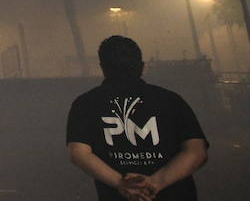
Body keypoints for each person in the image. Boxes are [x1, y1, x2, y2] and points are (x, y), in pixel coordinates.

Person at [66, 35, 209, 200]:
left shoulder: (85, 104)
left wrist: (121, 183)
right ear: (141, 66)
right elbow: (196, 151)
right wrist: (155, 183)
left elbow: (79, 153)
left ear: (103, 67)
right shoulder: (170, 100)